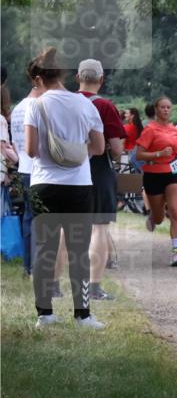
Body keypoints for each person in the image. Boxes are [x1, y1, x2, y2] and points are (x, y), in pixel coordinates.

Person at [23, 47, 107, 330]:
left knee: (45, 251)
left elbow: (31, 150)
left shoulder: (36, 105)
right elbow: (99, 147)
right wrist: (75, 151)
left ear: (38, 79)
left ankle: (44, 315)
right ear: (62, 74)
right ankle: (82, 315)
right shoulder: (86, 105)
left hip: (44, 184)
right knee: (78, 252)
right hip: (79, 184)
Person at [75, 59, 126, 302]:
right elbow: (116, 149)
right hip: (97, 170)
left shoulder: (64, 103)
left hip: (66, 171)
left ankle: (53, 283)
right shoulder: (105, 106)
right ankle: (94, 287)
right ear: (102, 79)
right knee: (99, 227)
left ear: (77, 78)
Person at [135, 96, 177, 266]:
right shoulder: (149, 129)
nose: (166, 110)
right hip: (153, 174)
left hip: (172, 173)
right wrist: (158, 154)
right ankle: (153, 215)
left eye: (168, 107)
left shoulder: (174, 129)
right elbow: (139, 155)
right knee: (159, 219)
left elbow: (173, 151)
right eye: (162, 107)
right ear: (156, 109)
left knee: (175, 211)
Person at [9, 83, 44, 275]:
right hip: (40, 170)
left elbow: (15, 144)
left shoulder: (17, 109)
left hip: (24, 168)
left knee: (28, 218)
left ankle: (27, 265)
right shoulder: (39, 107)